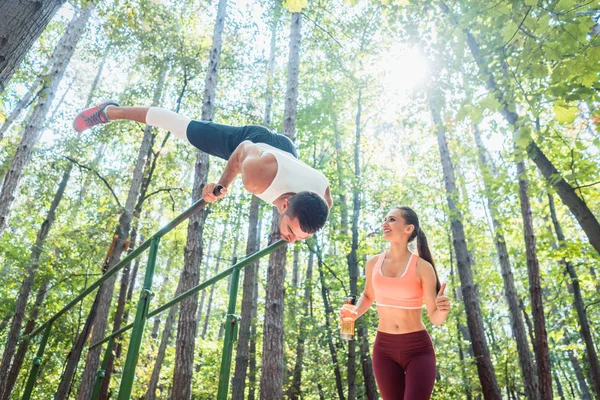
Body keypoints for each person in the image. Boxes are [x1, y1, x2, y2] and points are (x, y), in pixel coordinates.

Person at [73, 101, 332, 243]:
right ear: (286, 203)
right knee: (184, 128)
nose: (290, 239)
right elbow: (244, 149)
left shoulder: (322, 204)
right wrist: (220, 185)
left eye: (299, 238)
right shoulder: (256, 179)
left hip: (288, 153)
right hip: (256, 143)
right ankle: (110, 111)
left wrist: (297, 229)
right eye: (290, 232)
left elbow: (322, 198)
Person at [340, 206, 450, 399]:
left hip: (418, 349)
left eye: (392, 219)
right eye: (385, 219)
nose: (385, 224)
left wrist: (443, 309)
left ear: (408, 229)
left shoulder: (423, 267)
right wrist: (354, 313)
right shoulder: (373, 263)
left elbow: (436, 318)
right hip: (384, 350)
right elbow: (367, 296)